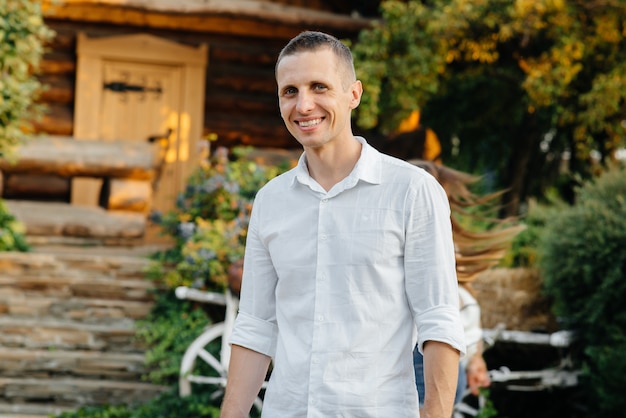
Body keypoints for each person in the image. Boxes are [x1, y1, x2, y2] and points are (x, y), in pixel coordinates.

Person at [220, 31, 465, 418]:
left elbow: (439, 320)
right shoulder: (270, 200)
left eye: (319, 87)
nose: (304, 105)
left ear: (354, 94)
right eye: (290, 91)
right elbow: (255, 326)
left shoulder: (412, 190)